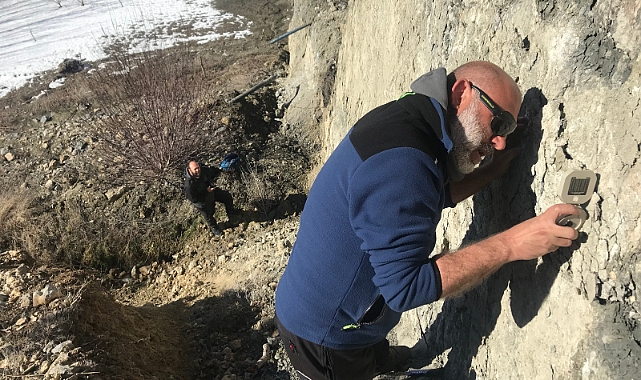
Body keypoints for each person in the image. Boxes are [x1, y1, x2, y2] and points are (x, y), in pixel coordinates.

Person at [274, 61, 580, 380]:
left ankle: (388, 357)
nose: (500, 141)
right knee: (356, 360)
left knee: (373, 345)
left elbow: (429, 193)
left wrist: (492, 168)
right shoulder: (402, 163)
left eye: (509, 129)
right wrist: (512, 244)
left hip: (323, 303)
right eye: (499, 123)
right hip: (323, 336)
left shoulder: (412, 121)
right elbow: (405, 287)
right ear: (461, 93)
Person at [184, 160, 237, 236]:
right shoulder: (188, 185)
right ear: (190, 170)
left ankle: (231, 214)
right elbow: (194, 199)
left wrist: (220, 170)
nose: (198, 170)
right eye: (195, 169)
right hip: (202, 201)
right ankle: (214, 228)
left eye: (198, 168)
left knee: (227, 197)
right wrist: (206, 192)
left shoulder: (203, 170)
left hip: (211, 191)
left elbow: (211, 171)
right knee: (209, 216)